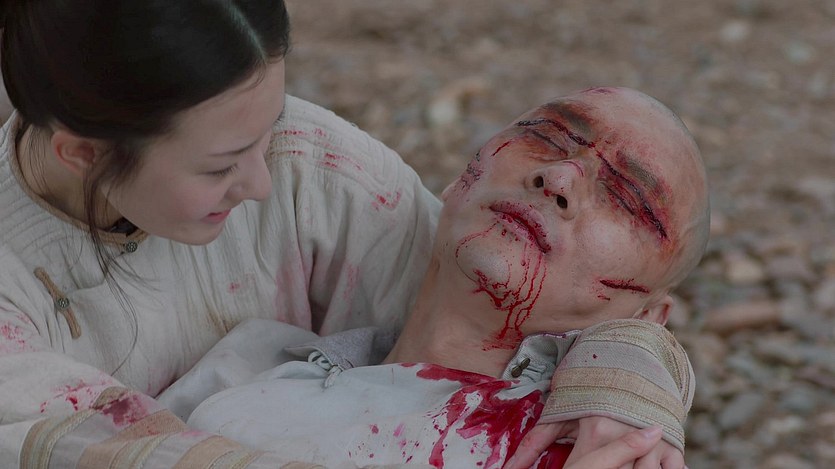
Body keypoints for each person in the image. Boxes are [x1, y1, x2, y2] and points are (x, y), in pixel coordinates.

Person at [0, 1, 701, 467]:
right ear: (82, 152)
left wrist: (633, 366)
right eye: (221, 164)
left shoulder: (314, 166)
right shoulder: (254, 368)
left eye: (627, 196)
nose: (265, 182)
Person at [158, 87, 710, 469]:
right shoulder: (248, 367)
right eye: (547, 136)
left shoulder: (594, 453)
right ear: (456, 183)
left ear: (648, 321)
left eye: (628, 196)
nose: (558, 176)